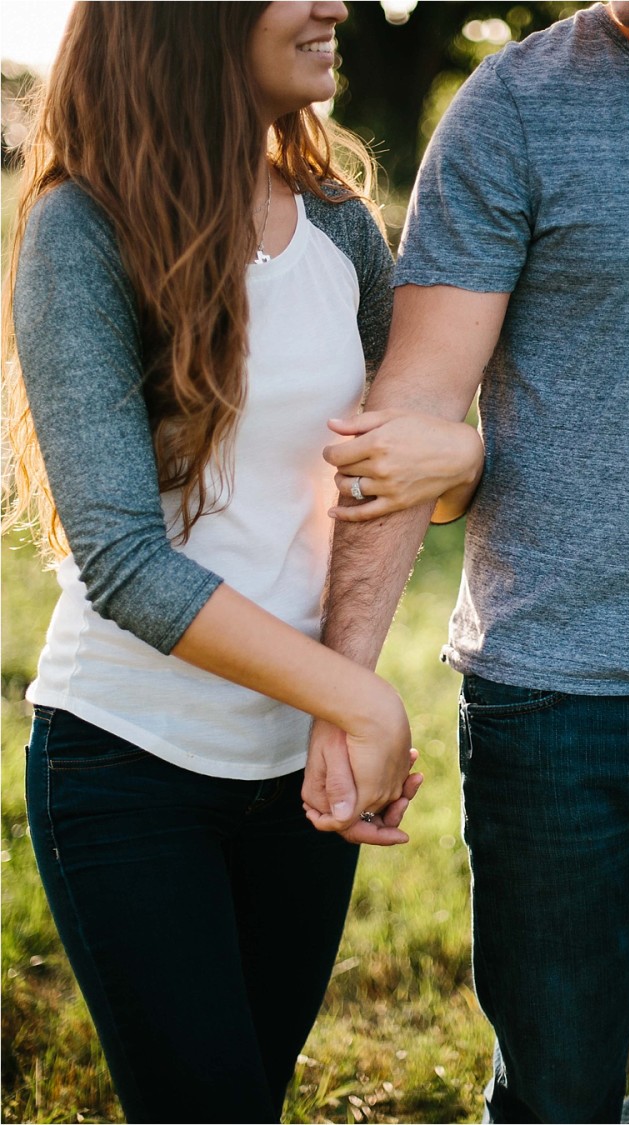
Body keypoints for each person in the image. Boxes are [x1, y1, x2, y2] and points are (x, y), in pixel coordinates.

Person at [2, 3, 478, 1120]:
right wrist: (357, 699)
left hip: (300, 782)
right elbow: (121, 559)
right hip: (128, 767)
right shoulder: (82, 232)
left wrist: (461, 453)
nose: (331, 5)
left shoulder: (339, 224)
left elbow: (408, 480)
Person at [299, 2, 629, 1120]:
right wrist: (344, 686)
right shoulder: (516, 105)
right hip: (556, 703)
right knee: (554, 1097)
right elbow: (412, 406)